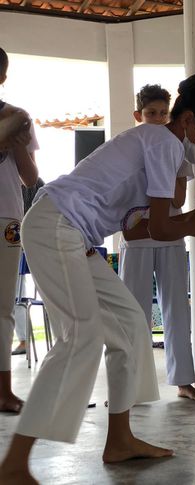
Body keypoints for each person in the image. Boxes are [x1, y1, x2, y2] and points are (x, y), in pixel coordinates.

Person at [0, 73, 195, 484]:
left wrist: (189, 221)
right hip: (56, 224)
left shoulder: (162, 148)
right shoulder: (162, 140)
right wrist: (192, 223)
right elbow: (161, 228)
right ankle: (15, 464)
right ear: (188, 120)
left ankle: (120, 439)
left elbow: (138, 230)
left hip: (74, 233)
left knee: (128, 324)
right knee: (81, 338)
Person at [119, 84, 195, 401]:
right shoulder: (127, 148)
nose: (157, 119)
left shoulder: (176, 147)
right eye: (150, 113)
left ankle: (183, 381)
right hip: (136, 238)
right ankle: (130, 385)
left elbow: (178, 199)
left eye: (162, 114)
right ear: (138, 115)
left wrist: (165, 170)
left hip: (170, 235)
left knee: (177, 308)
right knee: (134, 313)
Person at [0, 47, 39, 414]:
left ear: (2, 77)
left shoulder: (18, 118)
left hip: (5, 218)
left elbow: (30, 178)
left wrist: (17, 146)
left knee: (2, 307)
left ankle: (3, 391)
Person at [11, 177, 45, 357]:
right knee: (17, 295)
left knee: (16, 295)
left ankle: (24, 339)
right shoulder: (34, 182)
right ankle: (23, 339)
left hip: (22, 243)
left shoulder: (34, 183)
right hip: (24, 242)